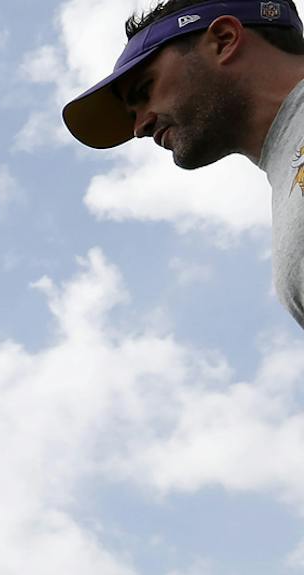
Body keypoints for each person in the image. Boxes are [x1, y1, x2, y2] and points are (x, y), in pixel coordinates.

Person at [62, 0, 304, 331]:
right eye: (133, 116)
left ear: (223, 39)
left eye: (145, 89)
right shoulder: (286, 191)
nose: (139, 128)